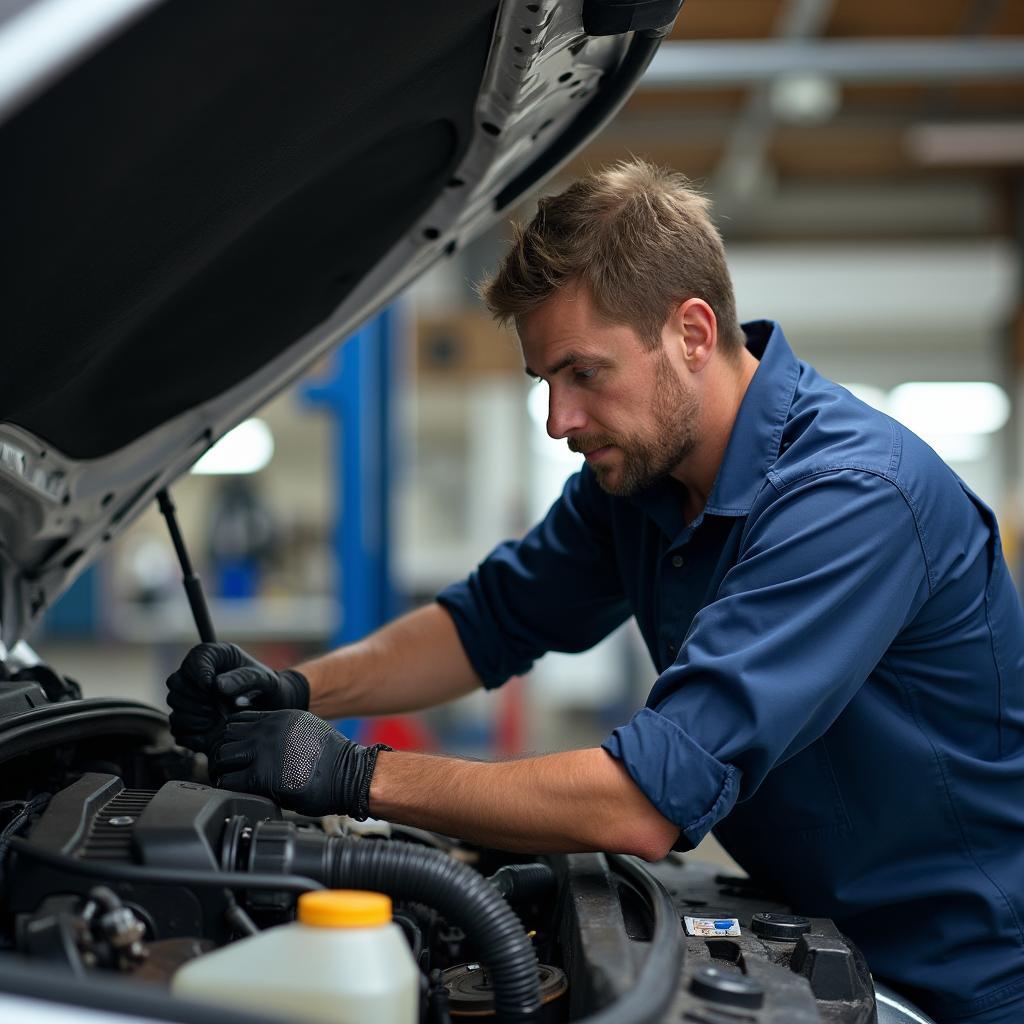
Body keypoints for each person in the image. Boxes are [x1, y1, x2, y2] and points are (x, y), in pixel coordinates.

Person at [166, 160, 1024, 1024]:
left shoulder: (852, 498)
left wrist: (350, 772)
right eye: (546, 382)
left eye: (584, 374)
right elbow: (488, 621)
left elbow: (642, 802)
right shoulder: (639, 485)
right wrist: (299, 690)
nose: (558, 420)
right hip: (821, 945)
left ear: (692, 332)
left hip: (965, 985)